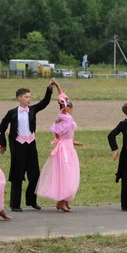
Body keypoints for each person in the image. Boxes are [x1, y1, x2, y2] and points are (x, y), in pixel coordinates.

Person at [0, 79, 55, 212]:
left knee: (35, 175)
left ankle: (31, 201)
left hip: (31, 145)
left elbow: (45, 102)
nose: (29, 99)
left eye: (30, 97)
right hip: (18, 146)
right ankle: (15, 204)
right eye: (26, 97)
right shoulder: (11, 113)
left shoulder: (33, 110)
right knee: (17, 176)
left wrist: (49, 88)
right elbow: (1, 128)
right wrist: (3, 144)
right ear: (19, 98)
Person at [35, 81, 83, 212]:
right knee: (66, 174)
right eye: (69, 107)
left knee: (69, 174)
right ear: (67, 108)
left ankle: (65, 200)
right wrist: (57, 86)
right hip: (65, 151)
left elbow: (64, 138)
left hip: (67, 147)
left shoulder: (62, 121)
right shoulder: (65, 118)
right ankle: (61, 201)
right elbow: (62, 98)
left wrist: (75, 142)